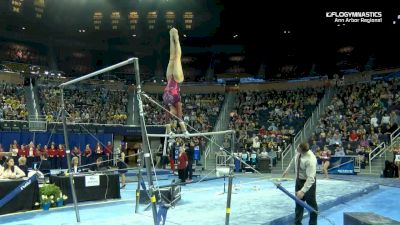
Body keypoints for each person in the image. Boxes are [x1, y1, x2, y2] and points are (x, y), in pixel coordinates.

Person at [283, 143, 318, 225]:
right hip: (299, 180)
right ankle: (297, 223)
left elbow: (311, 178)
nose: (296, 150)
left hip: (308, 183)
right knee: (298, 204)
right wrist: (288, 169)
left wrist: (302, 191)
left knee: (311, 204)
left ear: (303, 151)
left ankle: (313, 224)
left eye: (298, 149)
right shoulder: (298, 151)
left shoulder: (311, 159)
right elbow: (294, 159)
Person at [163, 28, 189, 137]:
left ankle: (170, 36)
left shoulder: (166, 105)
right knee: (177, 58)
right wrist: (184, 131)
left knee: (171, 58)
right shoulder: (177, 102)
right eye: (173, 114)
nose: (172, 114)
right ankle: (176, 37)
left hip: (169, 78)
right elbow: (180, 117)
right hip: (177, 79)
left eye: (171, 114)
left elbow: (167, 121)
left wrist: (169, 133)